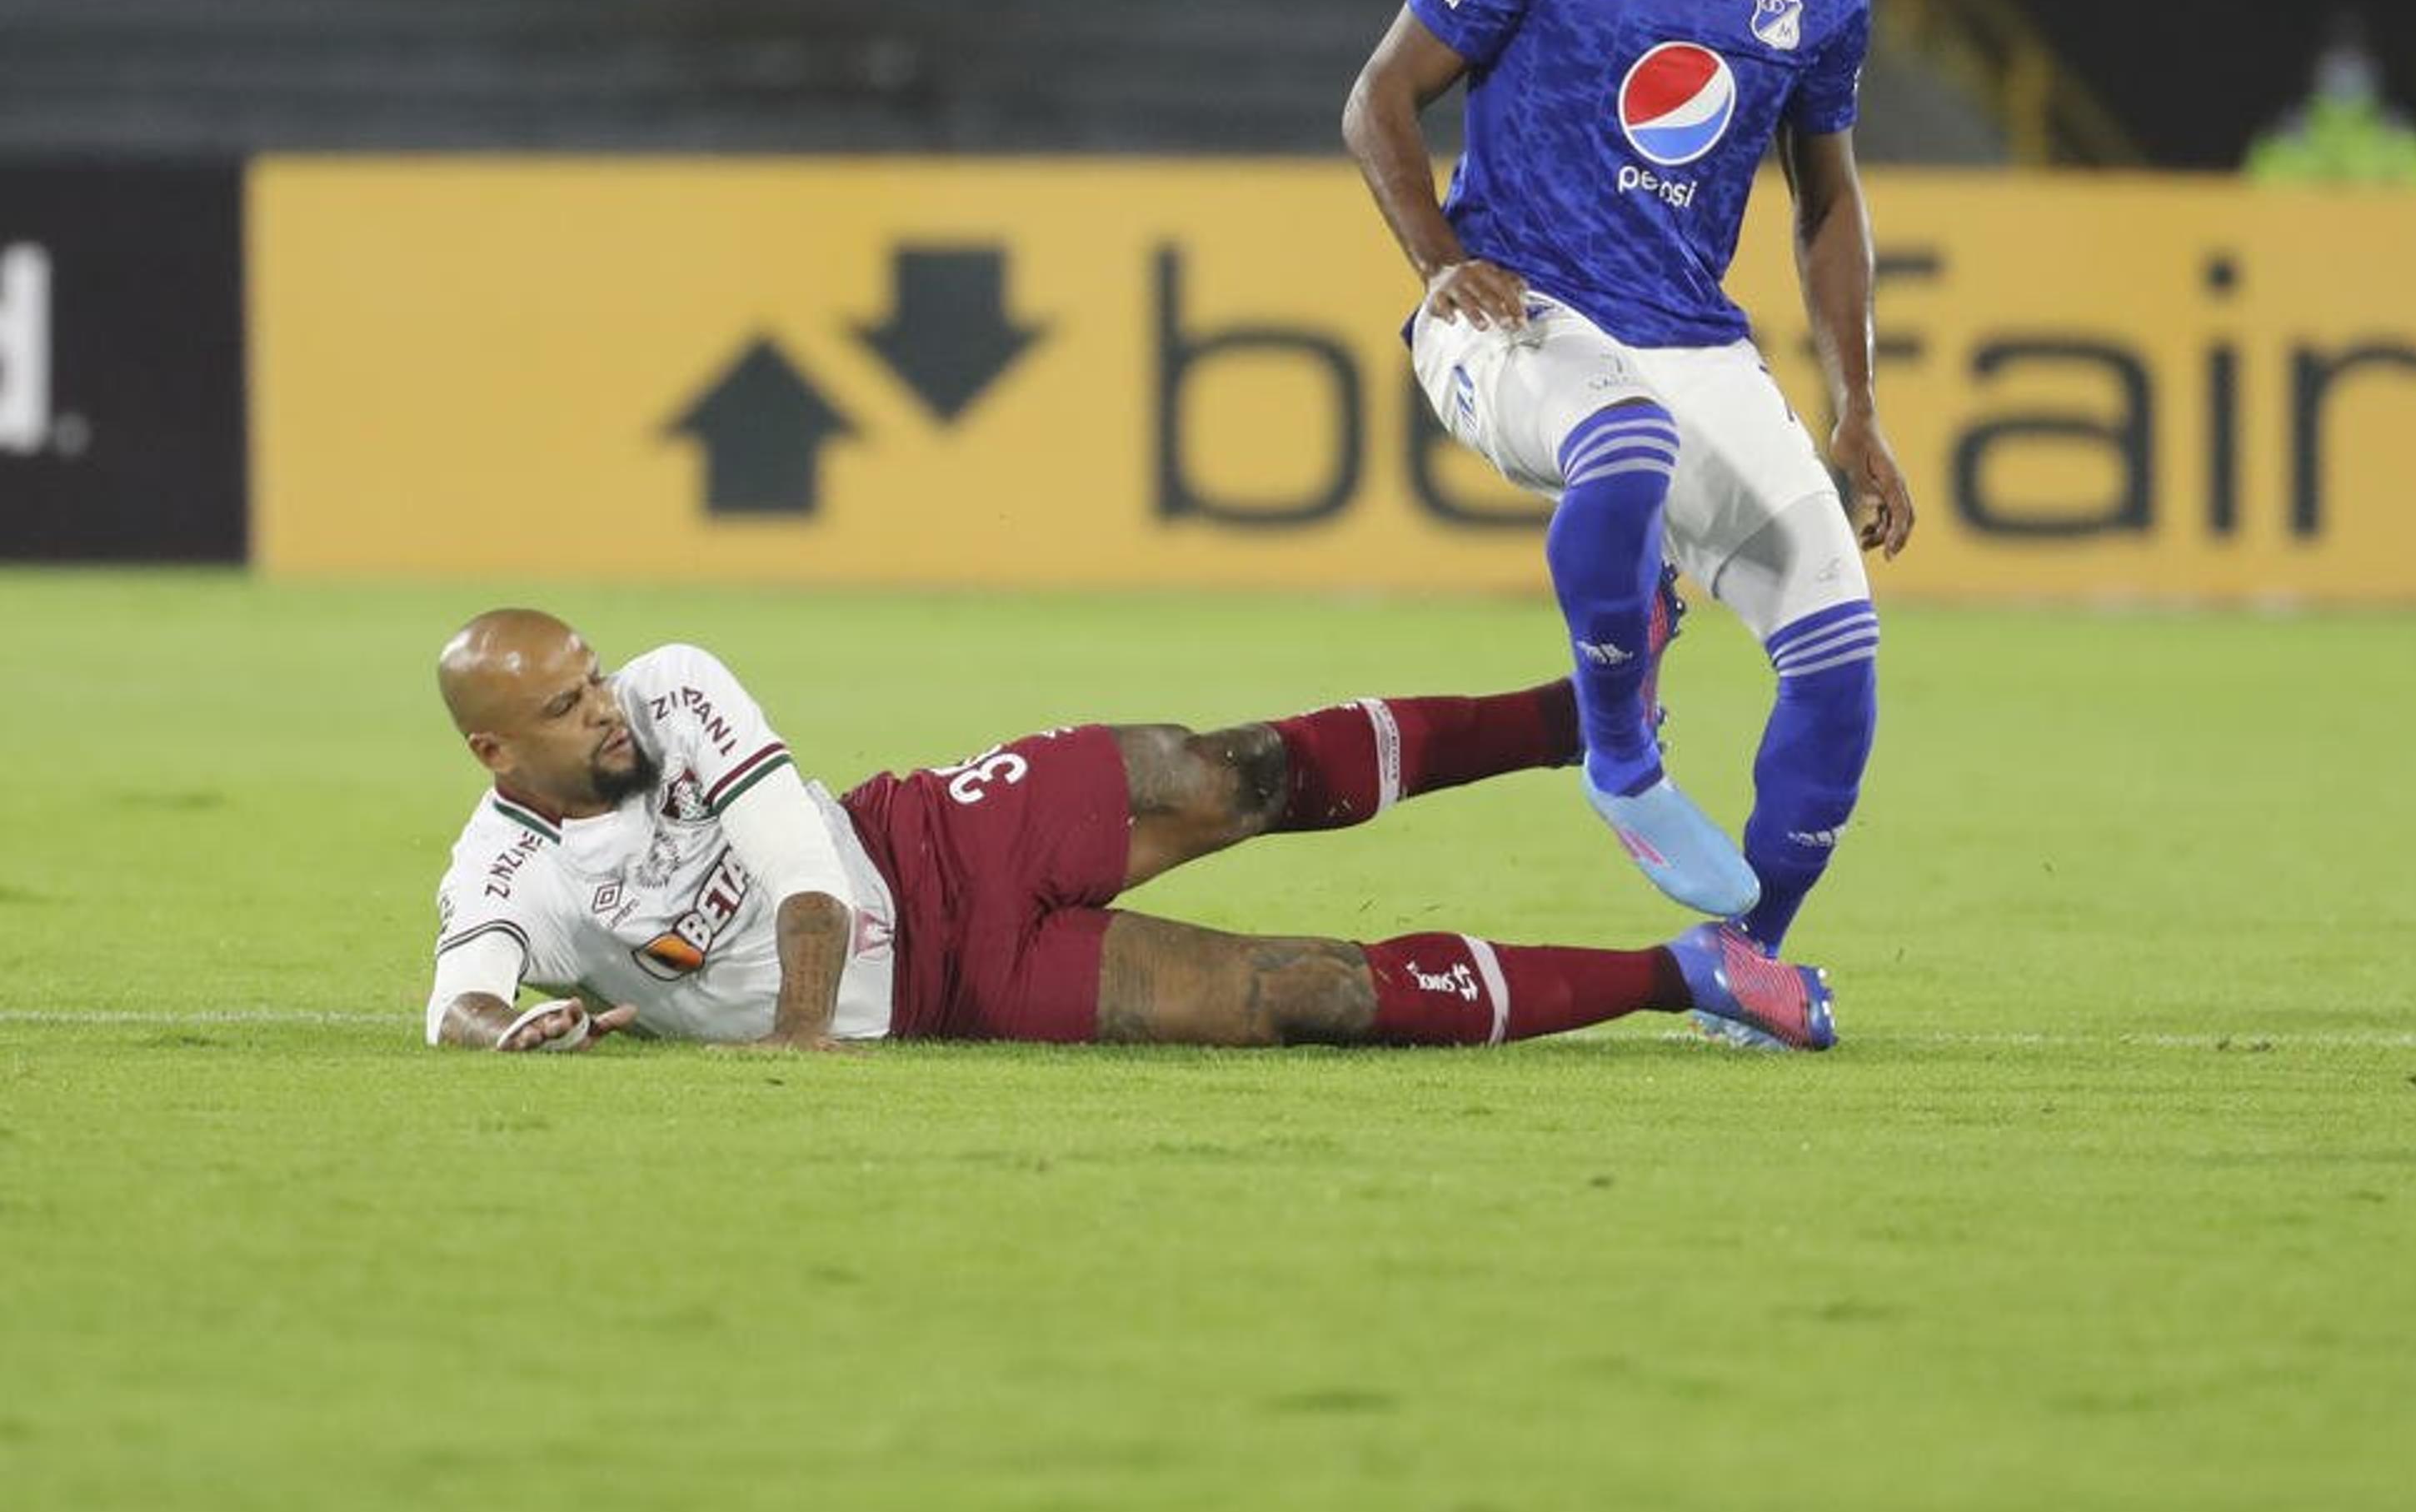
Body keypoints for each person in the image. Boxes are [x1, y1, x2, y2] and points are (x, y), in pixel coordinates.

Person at [1339, 0, 1911, 994]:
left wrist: (1858, 404)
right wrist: (1442, 266)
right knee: (1625, 435)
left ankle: (1745, 963)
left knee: (1839, 657)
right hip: (1516, 313)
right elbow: (1381, 98)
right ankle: (1620, 756)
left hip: (1694, 338)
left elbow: (1826, 199)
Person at [424, 609, 1834, 1056]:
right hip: (949, 993)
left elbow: (799, 867)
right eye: (567, 705)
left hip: (920, 846)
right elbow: (461, 995)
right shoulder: (513, 873)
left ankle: (1571, 714)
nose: (607, 708)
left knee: (1221, 767)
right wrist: (499, 1033)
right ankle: (1690, 973)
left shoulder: (674, 688)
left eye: (593, 674)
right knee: (1305, 995)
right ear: (498, 751)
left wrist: (796, 1046)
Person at [2244, 13, 2416, 186]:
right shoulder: (2286, 137)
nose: (2345, 67)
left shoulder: (2402, 137)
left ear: (2376, 68)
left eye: (2356, 57)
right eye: (2336, 56)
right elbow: (2254, 202)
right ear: (2315, 67)